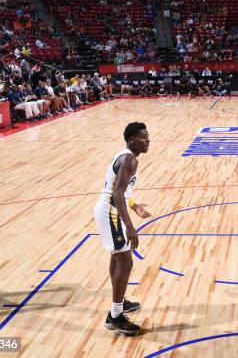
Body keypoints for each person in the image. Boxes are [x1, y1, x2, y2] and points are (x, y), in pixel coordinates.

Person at [94, 122, 152, 335]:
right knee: (126, 262)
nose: (148, 141)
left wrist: (134, 205)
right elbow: (117, 193)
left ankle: (118, 303)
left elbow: (121, 190)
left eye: (148, 137)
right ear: (130, 140)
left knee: (117, 259)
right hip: (111, 213)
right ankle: (115, 316)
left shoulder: (126, 156)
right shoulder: (129, 159)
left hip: (111, 210)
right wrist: (130, 226)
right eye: (143, 137)